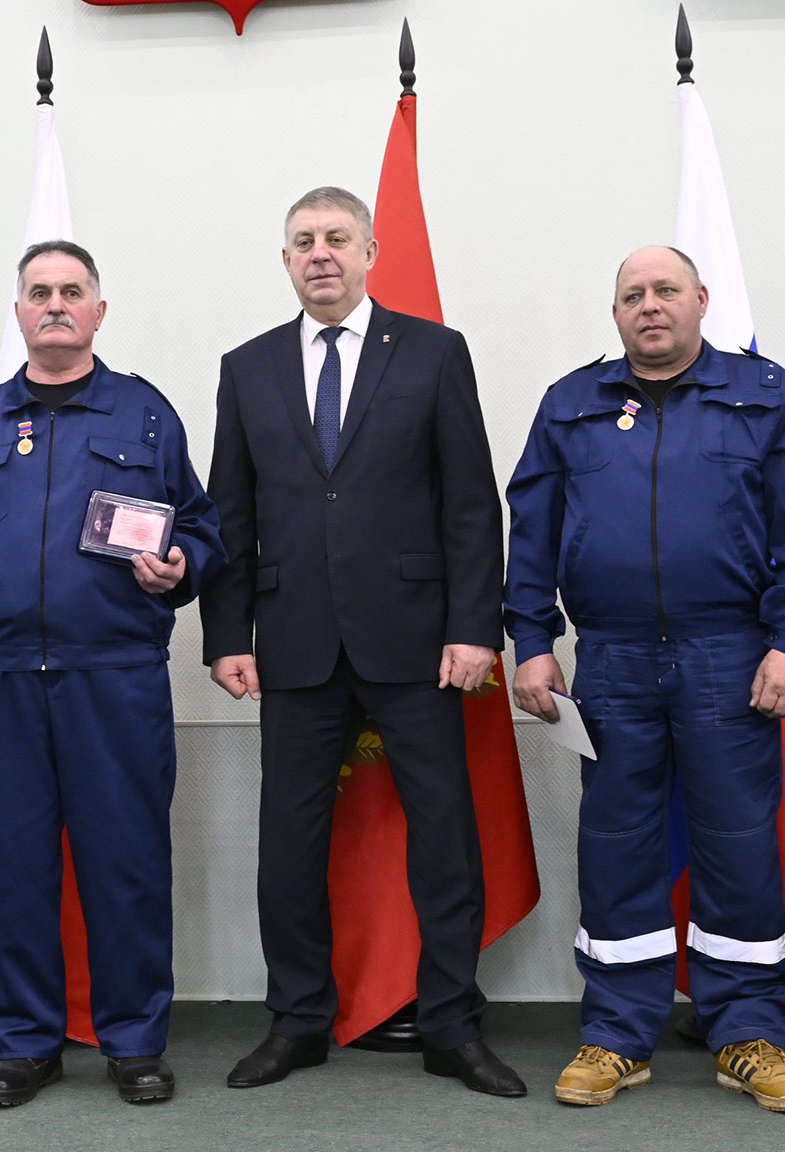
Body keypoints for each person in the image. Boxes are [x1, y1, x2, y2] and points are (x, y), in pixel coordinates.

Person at [200, 186, 523, 1097]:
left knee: (445, 840)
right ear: (285, 260)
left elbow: (470, 504)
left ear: (370, 252)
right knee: (288, 847)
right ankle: (298, 1020)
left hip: (417, 644)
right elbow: (230, 512)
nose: (321, 254)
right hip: (293, 644)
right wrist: (227, 634)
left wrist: (474, 629)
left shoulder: (433, 352)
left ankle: (451, 1025)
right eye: (304, 241)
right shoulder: (247, 367)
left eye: (337, 238)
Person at [0, 240, 224, 1108]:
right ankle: (25, 1043)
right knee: (14, 869)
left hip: (114, 677)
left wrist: (180, 563)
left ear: (98, 312)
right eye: (39, 292)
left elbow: (202, 528)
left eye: (72, 291)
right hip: (0, 678)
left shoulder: (144, 415)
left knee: (127, 865)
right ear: (18, 313)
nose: (55, 305)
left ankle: (134, 1043)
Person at [503, 246, 785, 1112]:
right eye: (633, 295)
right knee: (616, 844)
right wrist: (532, 641)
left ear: (702, 300)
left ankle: (748, 1033)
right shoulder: (571, 403)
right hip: (611, 659)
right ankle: (617, 1034)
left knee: (738, 842)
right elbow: (531, 532)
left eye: (666, 291)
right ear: (616, 312)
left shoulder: (764, 395)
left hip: (732, 655)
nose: (650, 305)